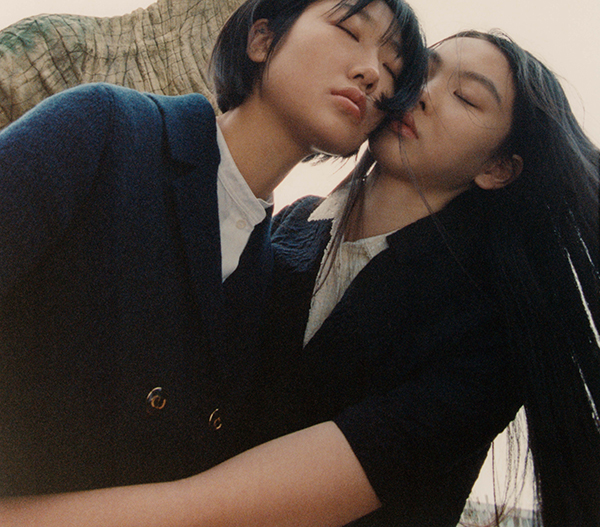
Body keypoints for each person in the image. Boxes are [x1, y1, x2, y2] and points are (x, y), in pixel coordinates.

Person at [2, 32, 597, 527]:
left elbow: (214, 509)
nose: (422, 94)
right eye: (424, 71)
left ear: (499, 168)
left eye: (466, 97)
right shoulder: (286, 223)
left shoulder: (486, 334)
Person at [0, 0, 427, 498]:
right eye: (350, 31)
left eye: (393, 71)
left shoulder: (267, 278)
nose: (372, 74)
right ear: (261, 40)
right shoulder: (107, 128)